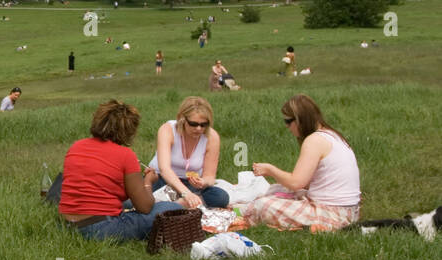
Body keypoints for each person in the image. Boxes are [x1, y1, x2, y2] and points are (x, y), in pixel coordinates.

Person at [57, 100, 181, 241]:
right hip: (99, 228)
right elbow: (145, 207)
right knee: (170, 207)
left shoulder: (76, 146)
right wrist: (147, 181)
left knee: (129, 203)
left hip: (66, 224)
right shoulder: (125, 155)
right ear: (129, 130)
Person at [242, 94, 361, 231]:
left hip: (333, 214)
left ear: (299, 120)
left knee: (263, 206)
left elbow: (296, 183)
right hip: (349, 211)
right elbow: (308, 182)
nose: (287, 126)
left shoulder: (314, 141)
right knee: (277, 189)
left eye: (288, 121)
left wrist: (270, 170)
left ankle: (243, 213)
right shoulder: (332, 135)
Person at [146, 97, 230, 210]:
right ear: (182, 119)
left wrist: (203, 182)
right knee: (133, 202)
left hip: (191, 185)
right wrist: (186, 194)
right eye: (193, 124)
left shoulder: (212, 137)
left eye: (203, 124)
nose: (199, 128)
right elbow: (164, 169)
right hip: (163, 180)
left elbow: (210, 176)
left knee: (221, 198)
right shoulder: (167, 130)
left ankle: (174, 205)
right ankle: (182, 203)